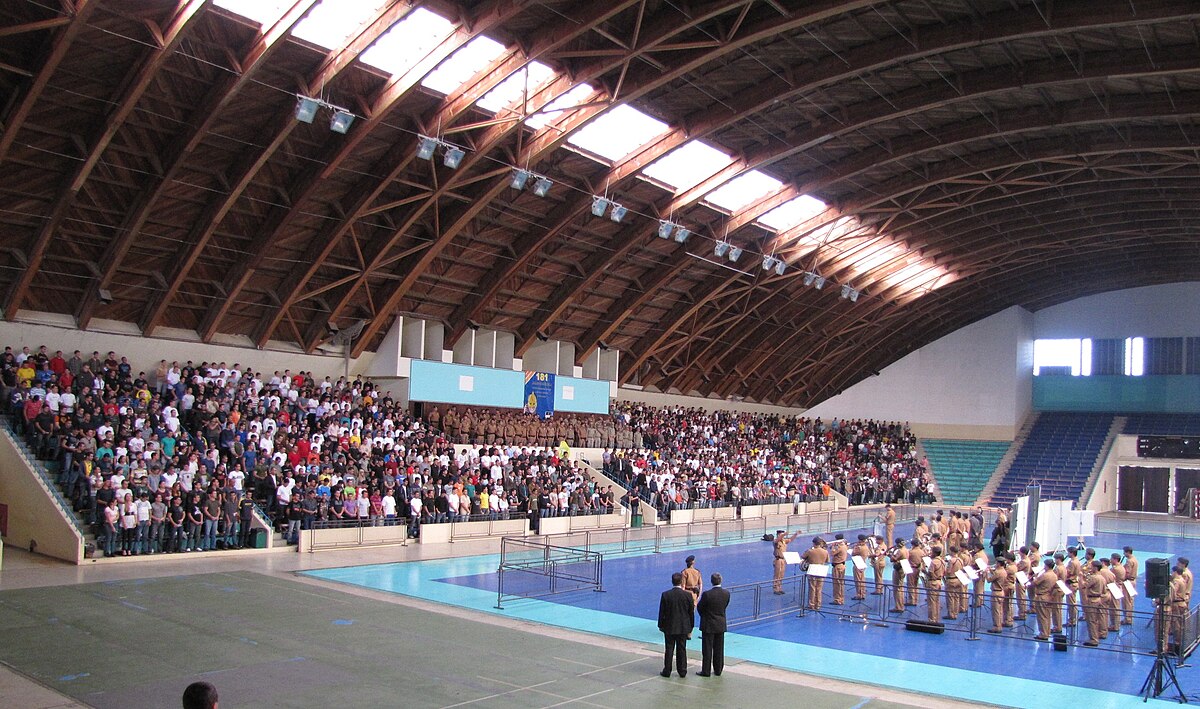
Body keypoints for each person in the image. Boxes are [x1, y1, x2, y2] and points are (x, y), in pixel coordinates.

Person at [658, 571, 694, 678]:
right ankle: (682, 671)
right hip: (683, 627)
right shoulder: (688, 596)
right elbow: (690, 613)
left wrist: (661, 625)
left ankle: (667, 670)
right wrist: (690, 627)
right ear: (682, 581)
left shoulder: (666, 595)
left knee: (669, 649)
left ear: (672, 581)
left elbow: (662, 612)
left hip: (669, 626)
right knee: (681, 649)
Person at [696, 572, 729, 677]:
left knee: (707, 649)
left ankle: (706, 671)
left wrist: (705, 616)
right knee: (719, 648)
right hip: (720, 624)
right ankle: (718, 669)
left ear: (711, 581)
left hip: (708, 624)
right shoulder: (726, 593)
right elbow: (725, 606)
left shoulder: (707, 594)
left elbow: (700, 607)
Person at [801, 537, 829, 610]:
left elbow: (803, 556)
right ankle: (818, 604)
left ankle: (811, 604)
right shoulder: (825, 551)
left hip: (812, 570)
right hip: (821, 570)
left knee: (812, 588)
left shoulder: (810, 551)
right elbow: (827, 561)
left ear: (813, 543)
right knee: (819, 588)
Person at [772, 529, 801, 594]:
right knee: (777, 574)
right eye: (781, 534)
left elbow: (790, 539)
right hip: (778, 559)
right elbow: (778, 539)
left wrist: (795, 534)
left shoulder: (784, 541)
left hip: (783, 559)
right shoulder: (776, 541)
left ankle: (779, 587)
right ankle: (775, 589)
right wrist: (784, 534)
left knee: (781, 574)